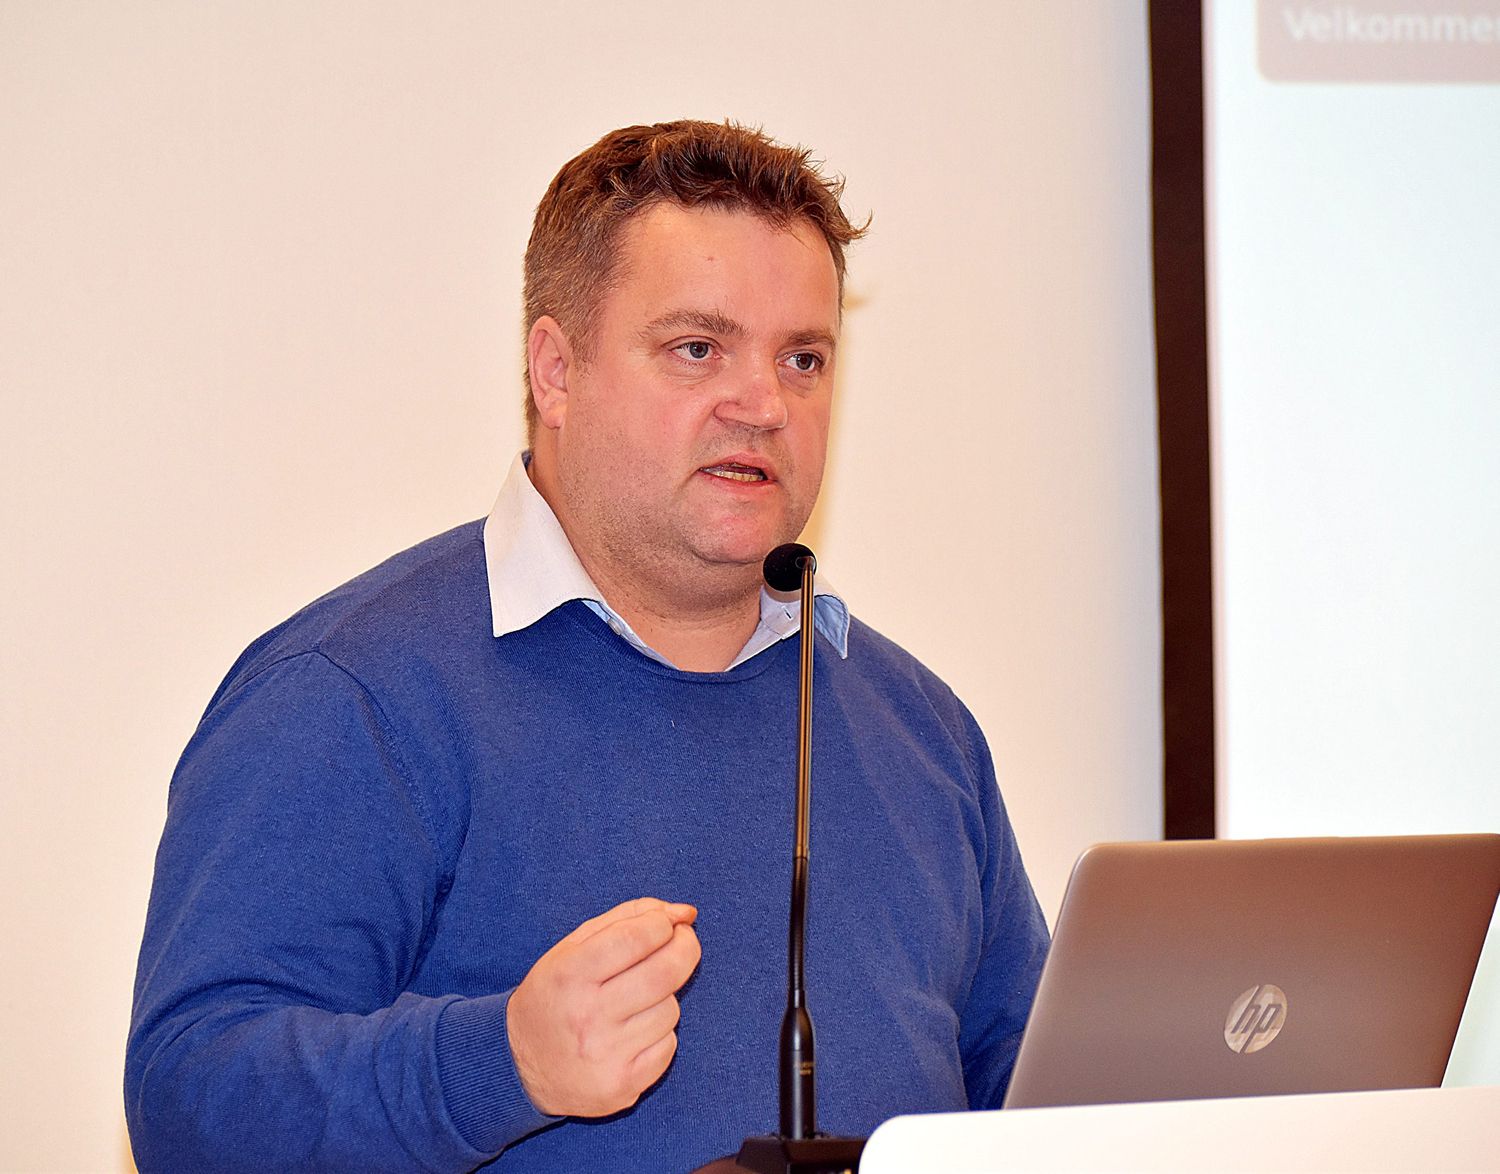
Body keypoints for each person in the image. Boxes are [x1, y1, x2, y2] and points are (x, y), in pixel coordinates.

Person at [125, 120, 1050, 1173]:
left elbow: (1040, 1101)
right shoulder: (352, 694)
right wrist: (502, 1063)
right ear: (555, 371)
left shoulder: (921, 730)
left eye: (803, 359)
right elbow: (189, 1104)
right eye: (698, 348)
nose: (763, 405)